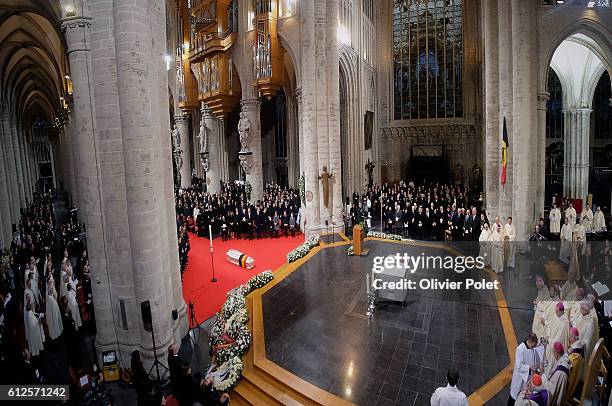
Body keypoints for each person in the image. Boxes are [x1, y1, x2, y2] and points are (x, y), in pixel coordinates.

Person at [509, 333, 540, 405]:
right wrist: (529, 367)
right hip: (519, 379)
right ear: (529, 341)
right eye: (533, 345)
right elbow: (519, 366)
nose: (533, 347)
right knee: (513, 398)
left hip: (527, 378)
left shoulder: (532, 347)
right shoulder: (520, 349)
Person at [544, 303, 569, 376]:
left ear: (561, 311)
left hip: (554, 348)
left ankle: (547, 376)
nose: (555, 312)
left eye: (557, 311)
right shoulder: (557, 316)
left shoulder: (564, 323)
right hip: (550, 341)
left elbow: (558, 339)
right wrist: (548, 335)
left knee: (550, 364)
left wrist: (549, 340)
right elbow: (550, 325)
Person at [543, 342, 571, 406]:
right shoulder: (566, 359)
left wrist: (542, 375)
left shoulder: (560, 372)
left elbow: (551, 390)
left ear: (556, 353)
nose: (554, 355)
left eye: (553, 353)